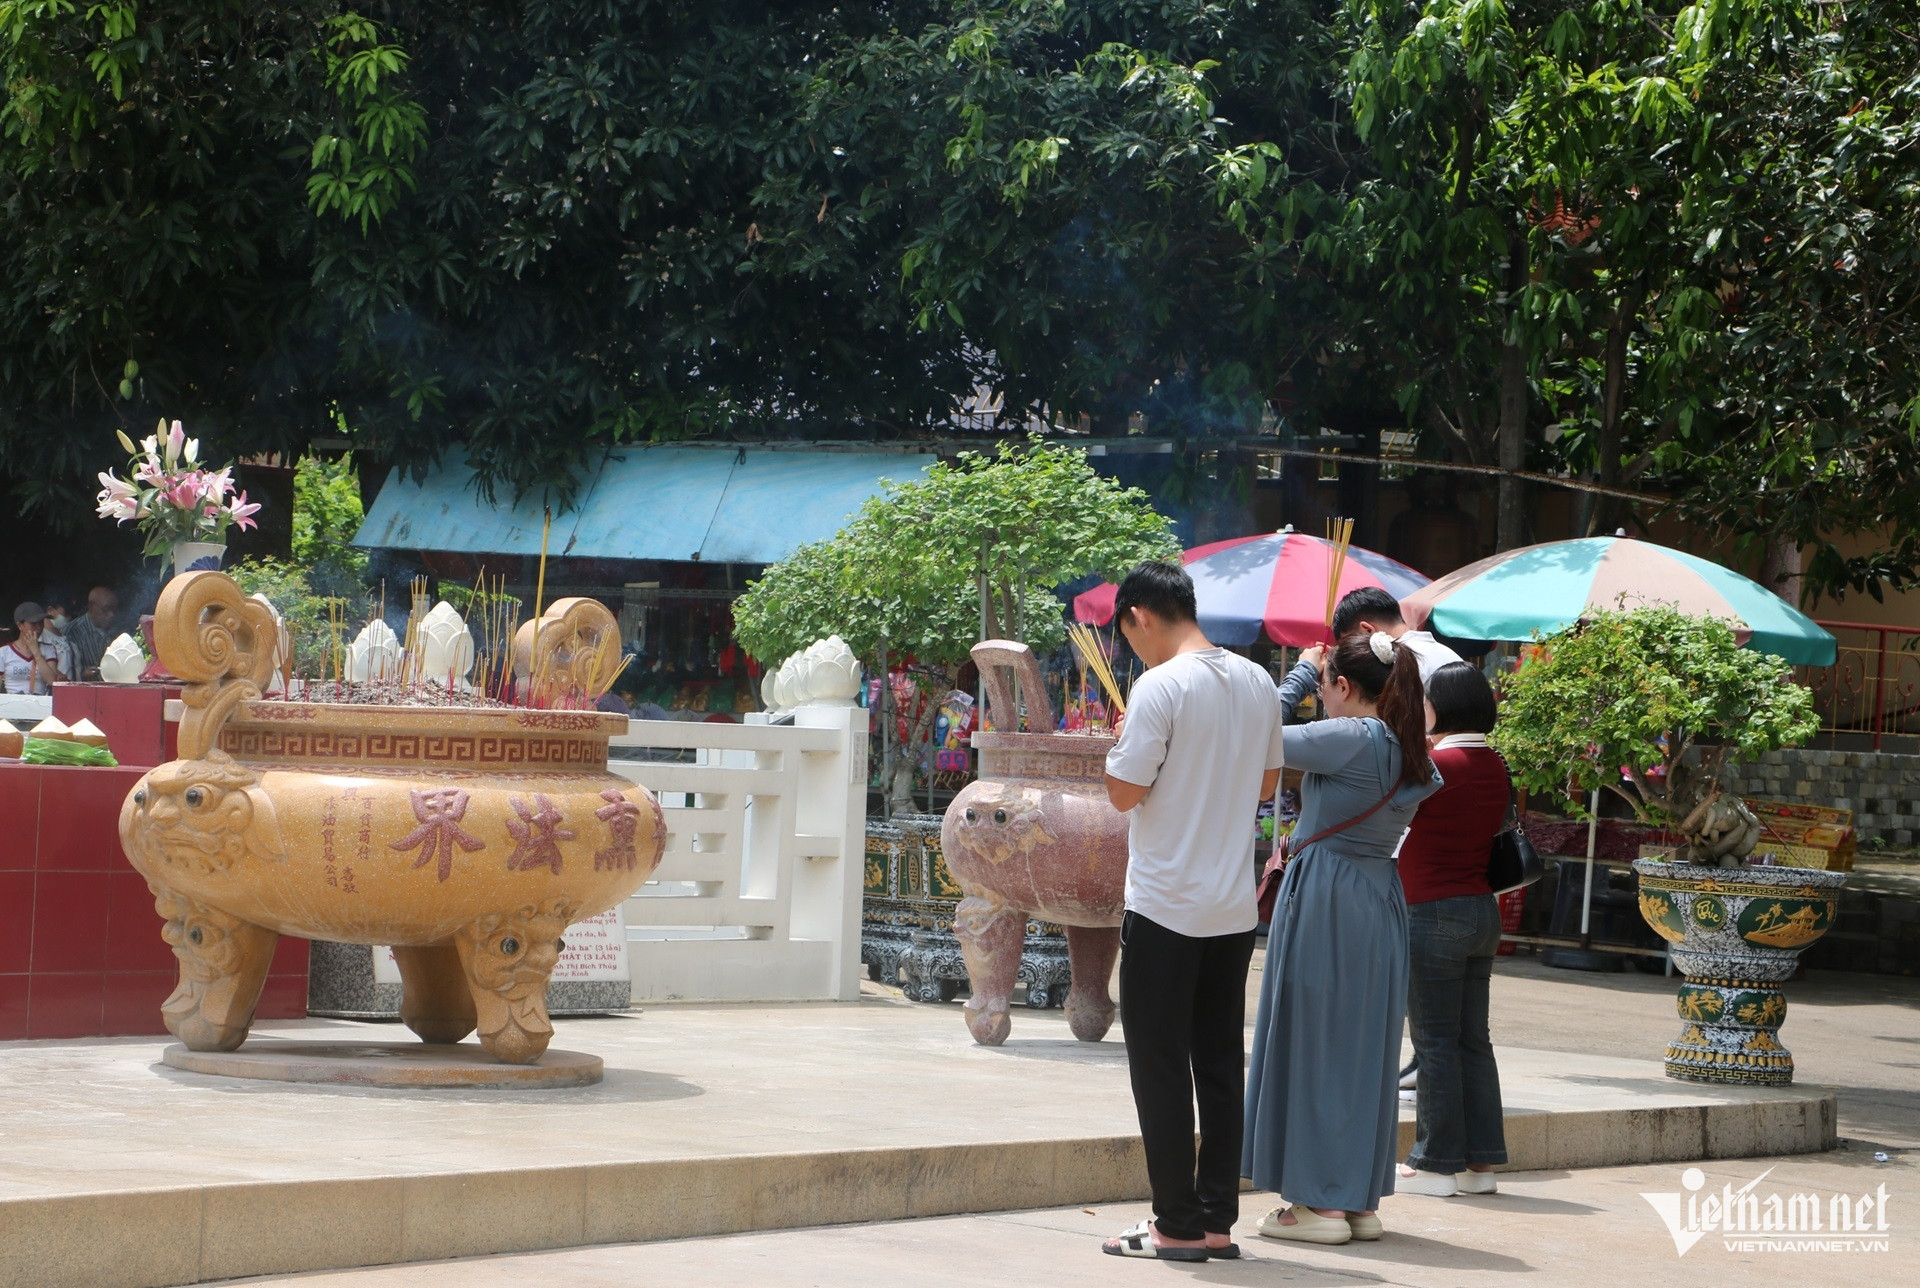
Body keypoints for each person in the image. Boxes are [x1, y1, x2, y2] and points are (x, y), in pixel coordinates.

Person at [1099, 562, 1286, 1262]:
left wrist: (1125, 744)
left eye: (1128, 634)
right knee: (1216, 1060)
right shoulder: (1258, 680)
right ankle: (1214, 1219)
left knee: (1158, 1063)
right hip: (1231, 908)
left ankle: (1173, 1223)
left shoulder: (1160, 685)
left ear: (1139, 615)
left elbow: (1122, 793)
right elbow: (1269, 780)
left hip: (1166, 902)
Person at [1244, 631, 1440, 1246]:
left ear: (1344, 686)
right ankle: (1356, 1200)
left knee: (1315, 1040)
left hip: (1329, 894)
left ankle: (1319, 1206)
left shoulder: (1352, 736)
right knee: (1360, 1047)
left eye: (1328, 684)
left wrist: (1298, 676)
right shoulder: (1408, 746)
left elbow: (1254, 734)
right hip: (1379, 896)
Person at [1395, 661, 1510, 1196]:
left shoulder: (1438, 763)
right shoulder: (1494, 763)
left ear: (1439, 707)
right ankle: (1478, 1165)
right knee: (1471, 1040)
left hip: (1432, 910)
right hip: (1480, 910)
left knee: (1435, 1041)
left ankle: (1434, 1163)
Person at [4, 602, 68, 694]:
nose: (39, 628)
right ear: (20, 625)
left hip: (39, 705)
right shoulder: (4, 652)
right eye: (33, 624)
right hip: (11, 706)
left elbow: (51, 681)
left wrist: (36, 652)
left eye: (41, 623)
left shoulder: (48, 649)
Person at [65, 586, 121, 681]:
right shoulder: (73, 632)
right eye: (106, 609)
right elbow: (65, 673)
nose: (112, 614)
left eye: (114, 609)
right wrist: (83, 675)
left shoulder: (117, 630)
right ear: (91, 607)